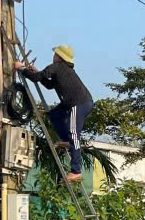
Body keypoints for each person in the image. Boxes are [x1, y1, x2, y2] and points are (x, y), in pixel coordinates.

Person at [15, 44, 93, 182]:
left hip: (78, 104)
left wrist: (21, 68)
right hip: (74, 103)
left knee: (74, 134)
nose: (53, 56)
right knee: (54, 115)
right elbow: (49, 85)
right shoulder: (64, 70)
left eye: (55, 54)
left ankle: (76, 171)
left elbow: (36, 78)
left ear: (58, 56)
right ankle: (65, 140)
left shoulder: (56, 67)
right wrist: (34, 71)